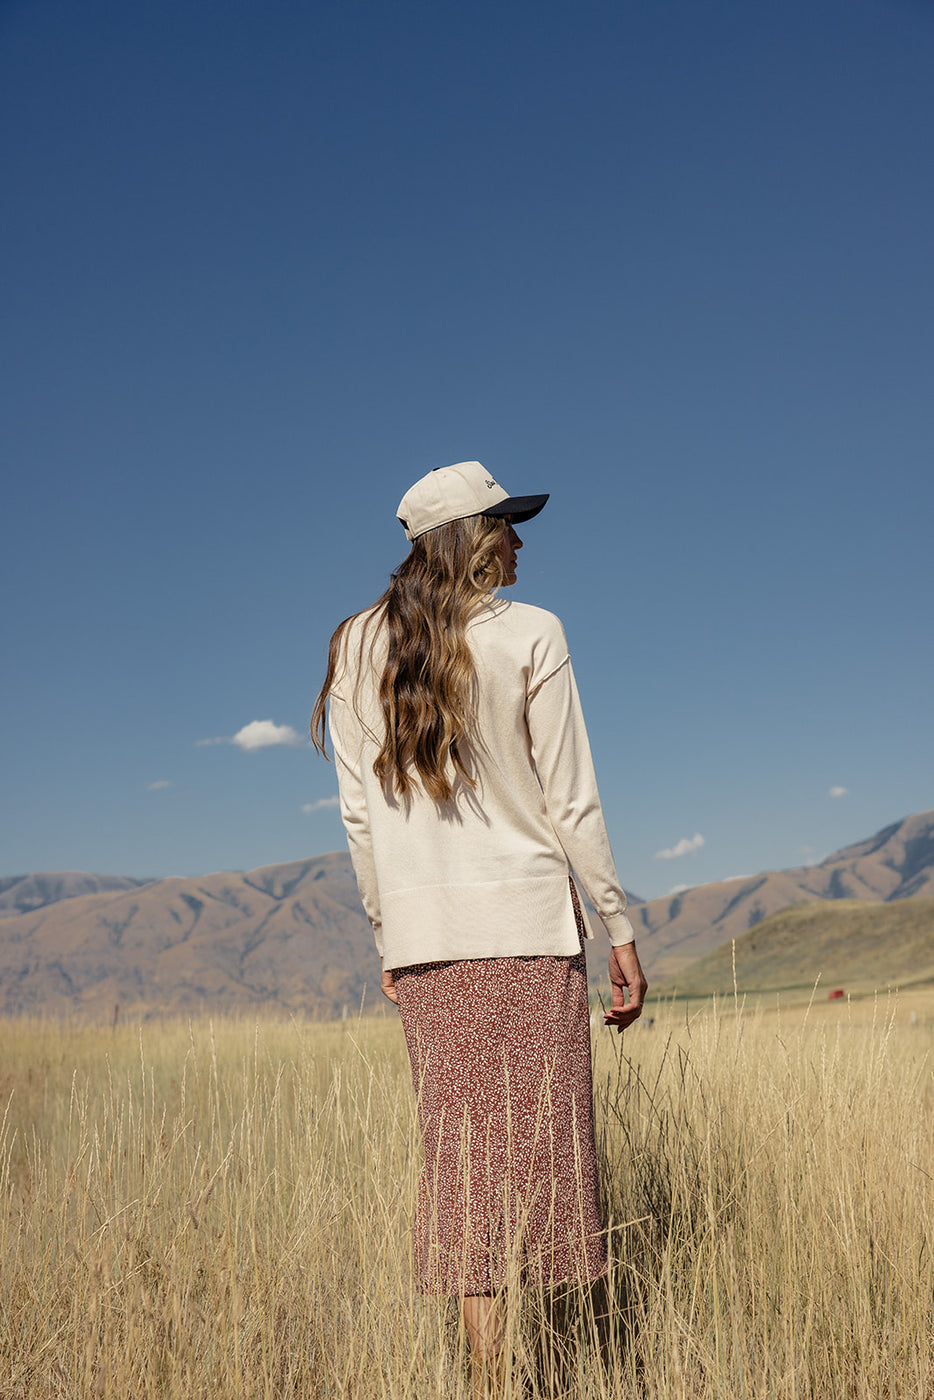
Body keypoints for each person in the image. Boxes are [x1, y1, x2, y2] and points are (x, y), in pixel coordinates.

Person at [312, 460, 647, 1389]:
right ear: (466, 537)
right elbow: (571, 800)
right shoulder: (533, 632)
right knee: (542, 1152)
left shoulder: (353, 646)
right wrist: (619, 929)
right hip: (533, 930)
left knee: (462, 1160)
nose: (521, 540)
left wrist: (388, 935)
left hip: (427, 945)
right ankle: (544, 1369)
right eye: (507, 524)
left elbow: (357, 817)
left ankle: (489, 1377)